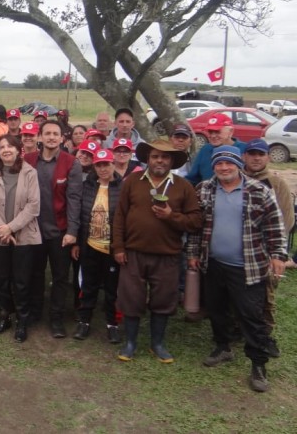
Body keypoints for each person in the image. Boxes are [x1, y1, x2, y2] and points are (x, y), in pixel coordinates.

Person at [186, 145, 287, 393]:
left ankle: (259, 364)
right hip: (214, 263)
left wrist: (277, 255)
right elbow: (197, 227)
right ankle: (223, 347)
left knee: (251, 316)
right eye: (219, 163)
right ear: (214, 167)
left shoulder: (259, 191)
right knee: (217, 310)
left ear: (238, 165)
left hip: (247, 266)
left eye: (229, 163)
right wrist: (193, 253)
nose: (224, 167)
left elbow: (275, 226)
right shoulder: (206, 189)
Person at [113, 139, 201, 362]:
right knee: (132, 298)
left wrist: (172, 217)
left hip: (168, 254)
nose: (159, 160)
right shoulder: (132, 181)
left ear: (171, 161)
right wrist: (119, 247)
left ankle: (157, 343)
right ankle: (130, 343)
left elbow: (195, 221)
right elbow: (120, 216)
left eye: (165, 157)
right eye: (155, 156)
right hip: (133, 251)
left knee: (163, 299)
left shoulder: (183, 186)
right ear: (148, 159)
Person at [23, 120, 82, 338]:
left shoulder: (71, 163)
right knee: (35, 274)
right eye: (46, 133)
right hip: (33, 230)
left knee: (60, 277)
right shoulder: (27, 160)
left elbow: (74, 199)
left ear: (62, 138)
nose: (50, 137)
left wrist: (72, 231)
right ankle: (35, 312)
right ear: (39, 137)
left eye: (55, 134)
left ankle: (56, 318)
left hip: (60, 232)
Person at [0, 134, 40, 342]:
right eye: (2, 146)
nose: (6, 150)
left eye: (10, 146)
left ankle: (22, 320)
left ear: (18, 150)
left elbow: (33, 206)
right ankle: (5, 315)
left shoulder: (30, 173)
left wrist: (11, 228)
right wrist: (2, 229)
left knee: (22, 281)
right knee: (2, 279)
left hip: (23, 235)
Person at [242, 138, 294, 355]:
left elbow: (286, 219)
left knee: (267, 296)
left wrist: (275, 251)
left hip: (266, 250)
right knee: (241, 294)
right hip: (241, 250)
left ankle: (265, 335)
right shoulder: (236, 178)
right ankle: (238, 330)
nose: (256, 158)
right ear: (244, 156)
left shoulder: (276, 183)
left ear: (268, 157)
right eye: (252, 153)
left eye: (260, 154)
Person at [71, 149, 123, 343]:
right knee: (88, 285)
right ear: (94, 166)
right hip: (89, 244)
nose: (103, 169)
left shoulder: (122, 187)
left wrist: (120, 247)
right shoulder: (87, 186)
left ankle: (112, 323)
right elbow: (78, 215)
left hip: (111, 247)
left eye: (106, 164)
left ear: (113, 164)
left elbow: (125, 219)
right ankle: (84, 321)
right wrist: (76, 241)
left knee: (112, 288)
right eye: (99, 165)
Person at [187, 113, 247, 186]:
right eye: (210, 132)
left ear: (230, 132)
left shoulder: (245, 149)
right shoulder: (206, 149)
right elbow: (192, 179)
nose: (213, 136)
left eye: (217, 131)